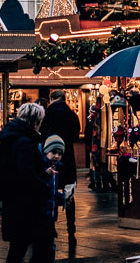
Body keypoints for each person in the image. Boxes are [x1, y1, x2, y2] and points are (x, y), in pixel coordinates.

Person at [0, 102, 52, 263]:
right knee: (36, 247)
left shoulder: (10, 138)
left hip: (14, 204)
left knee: (18, 247)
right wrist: (45, 185)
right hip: (26, 207)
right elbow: (27, 175)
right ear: (36, 122)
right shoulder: (24, 143)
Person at [41, 88, 80, 250]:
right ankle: (71, 229)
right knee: (69, 192)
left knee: (50, 190)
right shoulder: (72, 115)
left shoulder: (47, 114)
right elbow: (76, 136)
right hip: (68, 157)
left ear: (52, 99)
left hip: (50, 157)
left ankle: (51, 228)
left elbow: (42, 134)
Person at [38, 134, 66, 263]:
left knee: (49, 247)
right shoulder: (43, 167)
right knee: (45, 248)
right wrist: (45, 175)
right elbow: (39, 188)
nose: (56, 156)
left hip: (50, 215)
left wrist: (63, 197)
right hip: (42, 215)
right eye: (53, 152)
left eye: (59, 154)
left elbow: (52, 192)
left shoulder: (55, 169)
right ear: (46, 151)